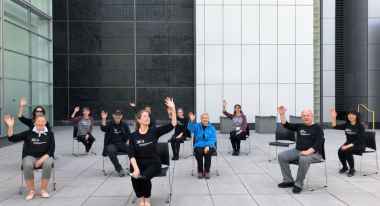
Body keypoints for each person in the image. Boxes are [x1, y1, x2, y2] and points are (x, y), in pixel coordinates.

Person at [128, 97, 176, 206]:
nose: (147, 117)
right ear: (138, 120)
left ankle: (147, 201)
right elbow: (131, 153)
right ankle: (141, 201)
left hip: (153, 163)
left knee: (144, 177)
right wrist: (135, 168)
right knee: (135, 177)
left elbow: (173, 124)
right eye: (144, 116)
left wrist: (173, 108)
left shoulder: (155, 132)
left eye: (148, 116)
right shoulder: (133, 136)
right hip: (138, 163)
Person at [5, 114, 55, 200]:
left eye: (42, 121)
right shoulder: (28, 133)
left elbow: (51, 149)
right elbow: (12, 138)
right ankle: (31, 191)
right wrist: (10, 126)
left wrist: (42, 159)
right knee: (27, 164)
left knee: (47, 164)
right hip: (30, 156)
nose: (40, 123)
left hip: (45, 156)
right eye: (38, 121)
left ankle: (43, 190)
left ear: (45, 122)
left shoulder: (50, 134)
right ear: (35, 122)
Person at [276, 106, 324, 194]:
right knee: (281, 156)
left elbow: (318, 144)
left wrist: (308, 152)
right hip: (297, 151)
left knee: (303, 159)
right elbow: (286, 124)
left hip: (314, 153)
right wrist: (282, 114)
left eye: (307, 115)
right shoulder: (300, 126)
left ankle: (298, 184)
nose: (306, 117)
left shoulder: (318, 128)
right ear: (302, 117)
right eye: (304, 116)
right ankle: (288, 180)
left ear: (312, 116)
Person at [330, 108, 365, 177]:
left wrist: (348, 146)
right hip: (349, 143)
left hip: (359, 145)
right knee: (340, 151)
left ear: (356, 116)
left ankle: (352, 169)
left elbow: (359, 140)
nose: (351, 116)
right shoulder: (347, 125)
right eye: (349, 115)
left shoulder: (360, 127)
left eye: (353, 115)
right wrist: (334, 117)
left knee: (347, 150)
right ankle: (345, 167)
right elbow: (334, 126)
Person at [100, 109, 131, 177]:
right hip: (112, 144)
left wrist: (128, 140)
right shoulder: (109, 123)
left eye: (119, 115)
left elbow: (129, 134)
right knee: (110, 151)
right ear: (113, 116)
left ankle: (133, 167)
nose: (118, 116)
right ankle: (119, 169)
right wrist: (103, 119)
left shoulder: (124, 124)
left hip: (122, 144)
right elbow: (103, 128)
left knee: (132, 148)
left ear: (121, 116)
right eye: (116, 115)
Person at [188, 112, 217, 179]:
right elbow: (191, 129)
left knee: (208, 152)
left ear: (208, 119)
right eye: (203, 118)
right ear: (201, 119)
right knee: (199, 152)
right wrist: (192, 121)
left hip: (210, 145)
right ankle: (200, 171)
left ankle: (207, 171)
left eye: (206, 118)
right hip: (199, 144)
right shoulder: (197, 126)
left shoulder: (212, 128)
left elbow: (213, 138)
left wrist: (208, 146)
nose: (205, 119)